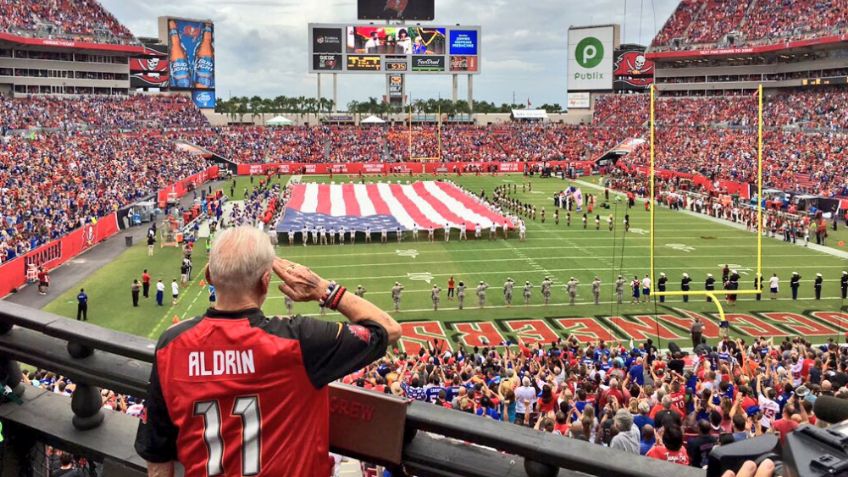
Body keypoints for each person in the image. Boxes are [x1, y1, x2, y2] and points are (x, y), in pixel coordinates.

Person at [134, 226, 400, 477]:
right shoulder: (300, 339)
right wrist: (323, 289)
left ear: (208, 276)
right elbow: (387, 328)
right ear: (265, 282)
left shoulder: (172, 344)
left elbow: (157, 455)